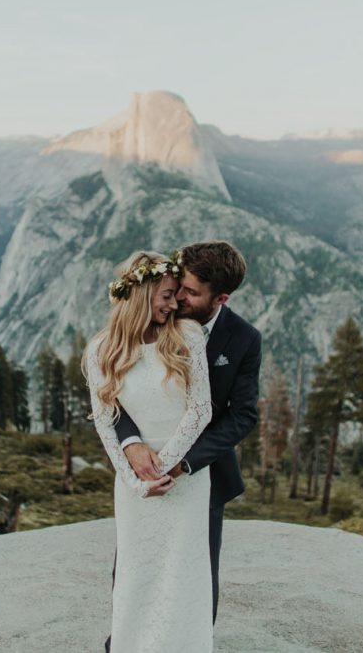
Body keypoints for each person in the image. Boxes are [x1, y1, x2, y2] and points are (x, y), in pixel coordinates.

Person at [115, 240, 261, 623]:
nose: (177, 298)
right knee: (132, 566)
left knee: (196, 576)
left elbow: (243, 415)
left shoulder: (244, 340)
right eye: (179, 285)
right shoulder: (150, 316)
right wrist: (130, 443)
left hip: (204, 473)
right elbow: (112, 390)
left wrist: (185, 462)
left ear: (221, 298)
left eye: (191, 293)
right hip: (144, 466)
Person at [84, 249, 214, 653]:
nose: (175, 304)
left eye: (176, 295)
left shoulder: (187, 336)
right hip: (135, 485)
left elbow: (201, 409)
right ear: (141, 294)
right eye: (167, 295)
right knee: (136, 572)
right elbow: (105, 420)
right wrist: (134, 481)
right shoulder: (100, 351)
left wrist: (167, 466)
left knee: (182, 572)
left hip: (184, 479)